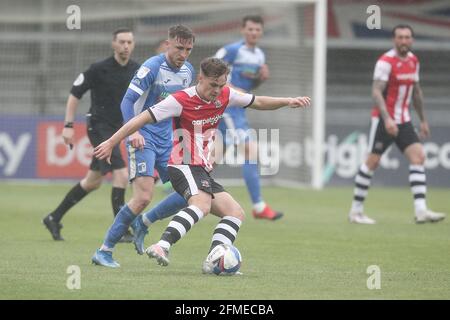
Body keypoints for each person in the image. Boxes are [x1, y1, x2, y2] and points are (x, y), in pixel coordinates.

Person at [93, 57, 311, 271]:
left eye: (221, 85)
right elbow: (140, 119)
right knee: (201, 205)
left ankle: (215, 259)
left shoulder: (225, 94)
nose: (217, 90)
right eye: (213, 85)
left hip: (201, 168)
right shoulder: (180, 100)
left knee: (235, 212)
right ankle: (161, 246)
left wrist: (287, 101)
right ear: (200, 78)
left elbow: (258, 101)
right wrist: (112, 141)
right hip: (183, 164)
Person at [91, 25, 196, 268]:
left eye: (188, 49)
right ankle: (104, 251)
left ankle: (143, 222)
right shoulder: (151, 67)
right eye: (179, 48)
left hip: (167, 140)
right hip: (143, 138)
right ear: (168, 44)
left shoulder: (188, 71)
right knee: (143, 197)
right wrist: (135, 131)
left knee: (188, 192)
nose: (183, 54)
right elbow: (127, 102)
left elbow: (181, 107)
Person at [42, 28, 139, 241]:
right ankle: (121, 230)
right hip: (98, 127)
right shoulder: (98, 69)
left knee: (92, 181)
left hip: (117, 129)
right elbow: (75, 93)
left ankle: (53, 217)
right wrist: (68, 125)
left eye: (129, 42)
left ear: (133, 44)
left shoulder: (137, 70)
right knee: (121, 175)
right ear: (113, 44)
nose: (125, 46)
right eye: (121, 42)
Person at [348, 24, 445, 225]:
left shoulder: (413, 61)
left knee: (418, 157)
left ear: (412, 40)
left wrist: (423, 120)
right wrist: (387, 118)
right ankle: (355, 211)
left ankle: (421, 210)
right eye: (400, 37)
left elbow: (416, 92)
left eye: (407, 37)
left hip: (404, 120)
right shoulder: (386, 62)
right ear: (394, 40)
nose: (403, 41)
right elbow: (376, 91)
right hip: (385, 120)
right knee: (372, 163)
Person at [215, 15, 282, 221]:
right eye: (250, 29)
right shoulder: (231, 50)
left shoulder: (259, 56)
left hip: (238, 109)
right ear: (243, 30)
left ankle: (179, 189)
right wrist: (234, 92)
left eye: (257, 30)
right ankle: (259, 206)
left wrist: (260, 80)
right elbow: (212, 73)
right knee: (251, 151)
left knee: (211, 159)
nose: (253, 33)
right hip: (228, 108)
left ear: (261, 32)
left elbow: (248, 88)